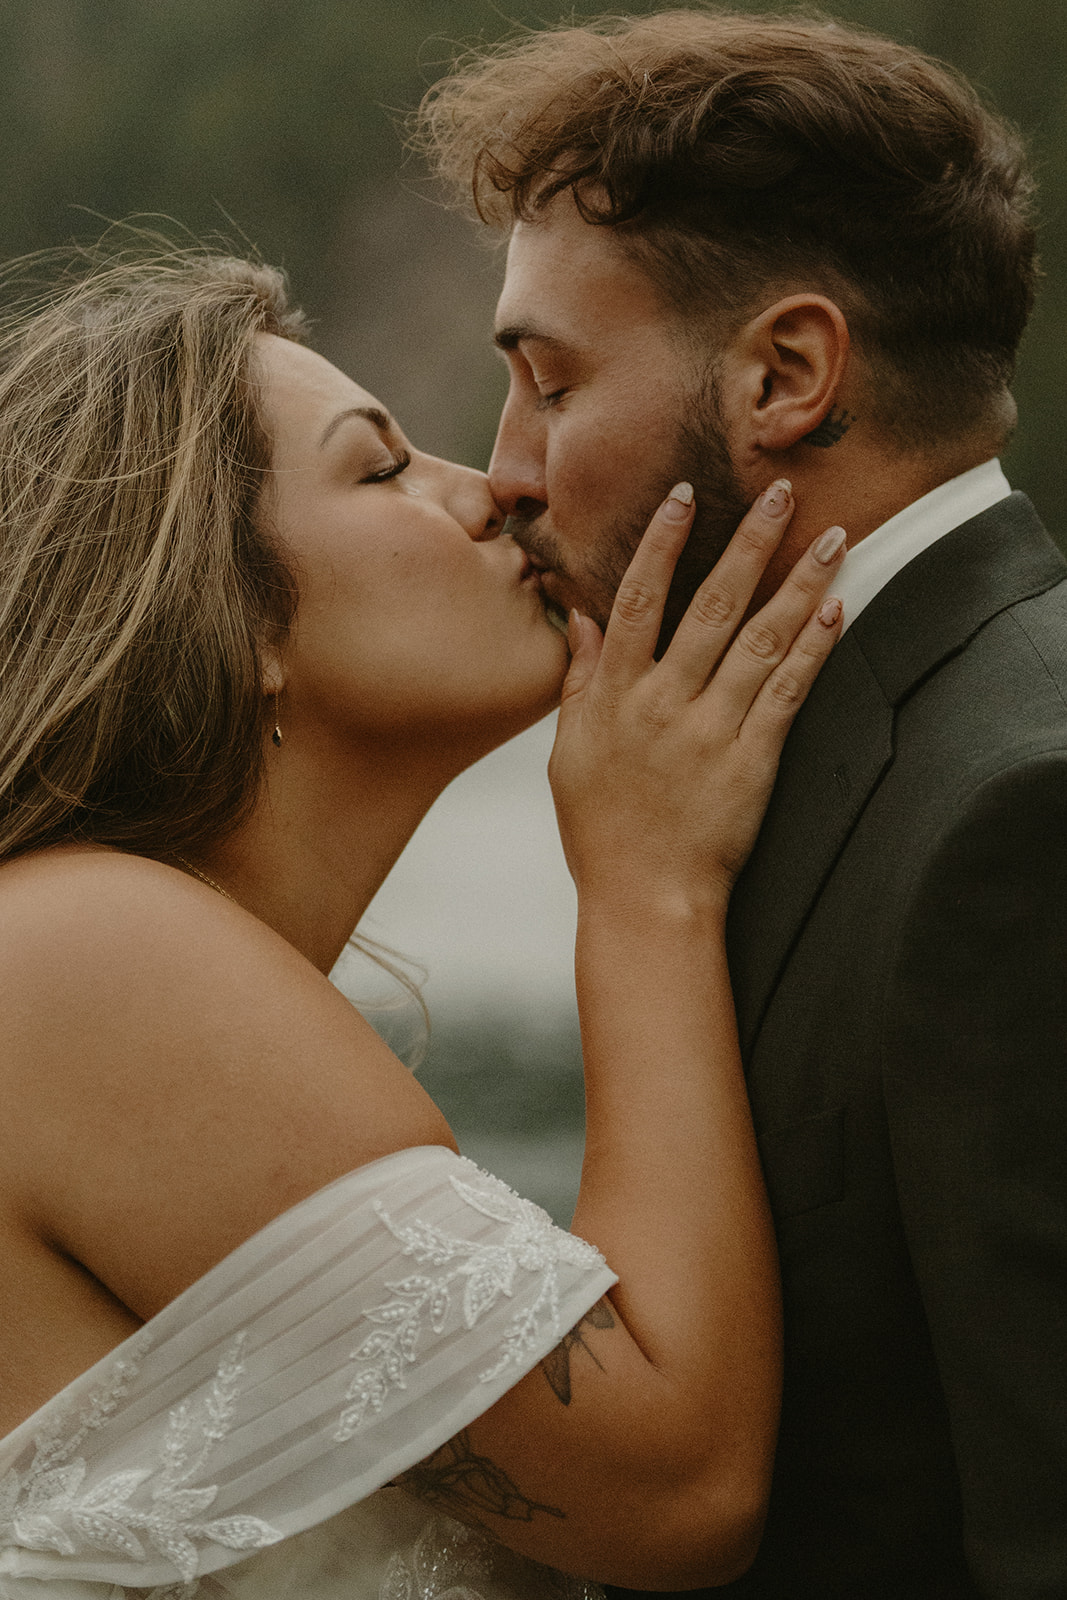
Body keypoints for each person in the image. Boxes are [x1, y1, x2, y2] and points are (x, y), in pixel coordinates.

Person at [0, 246, 844, 1600]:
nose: (498, 488)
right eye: (381, 468)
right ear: (233, 617)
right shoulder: (82, 950)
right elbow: (678, 1492)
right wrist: (648, 887)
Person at [418, 10, 1067, 1597]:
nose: (507, 471)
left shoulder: (1024, 810)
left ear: (785, 374)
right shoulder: (783, 761)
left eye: (551, 382)